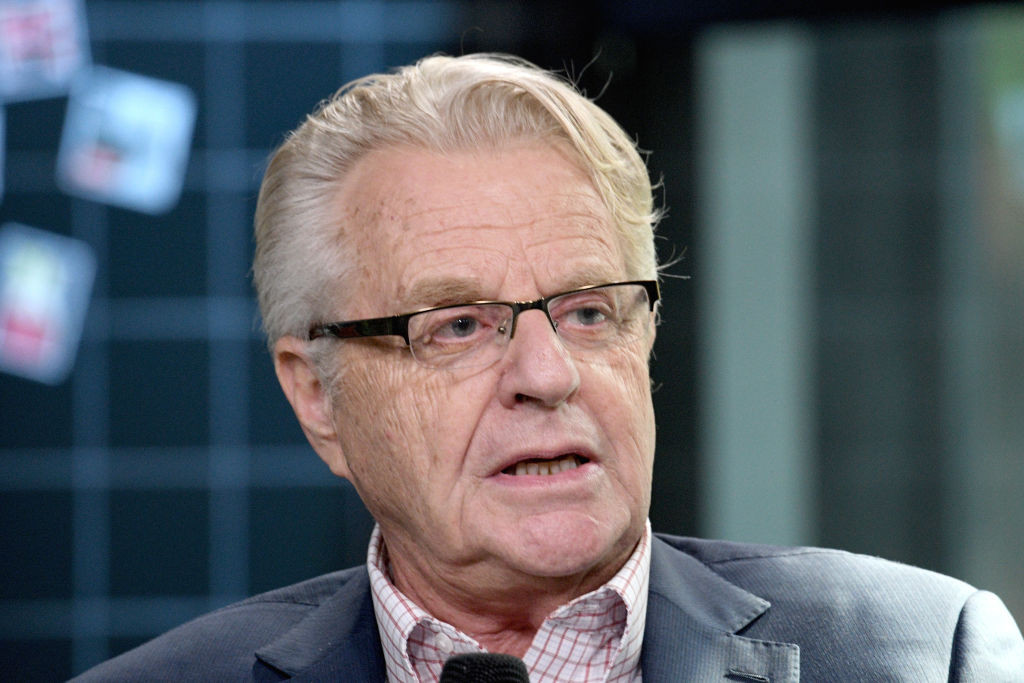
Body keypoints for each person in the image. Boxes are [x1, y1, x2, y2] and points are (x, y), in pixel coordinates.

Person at [73, 53, 1023, 682]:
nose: (547, 371)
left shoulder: (924, 653)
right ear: (317, 395)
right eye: (457, 326)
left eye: (587, 310)